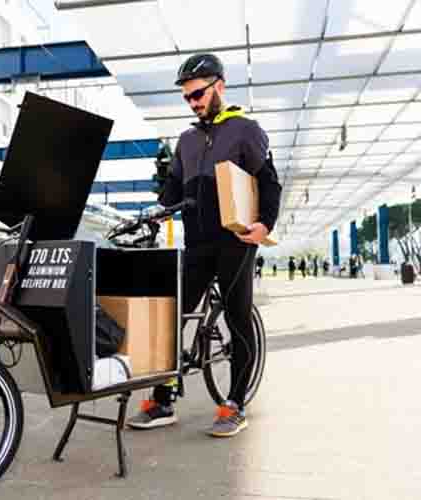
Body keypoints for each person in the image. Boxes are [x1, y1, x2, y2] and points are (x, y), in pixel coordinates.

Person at [126, 53, 281, 437]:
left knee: (237, 319)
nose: (193, 102)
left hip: (236, 241)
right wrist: (150, 215)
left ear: (219, 87)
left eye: (198, 94)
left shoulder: (245, 129)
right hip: (196, 245)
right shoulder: (187, 140)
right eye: (187, 97)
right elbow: (172, 191)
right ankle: (163, 400)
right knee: (170, 317)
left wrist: (264, 225)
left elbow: (269, 180)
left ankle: (235, 404)